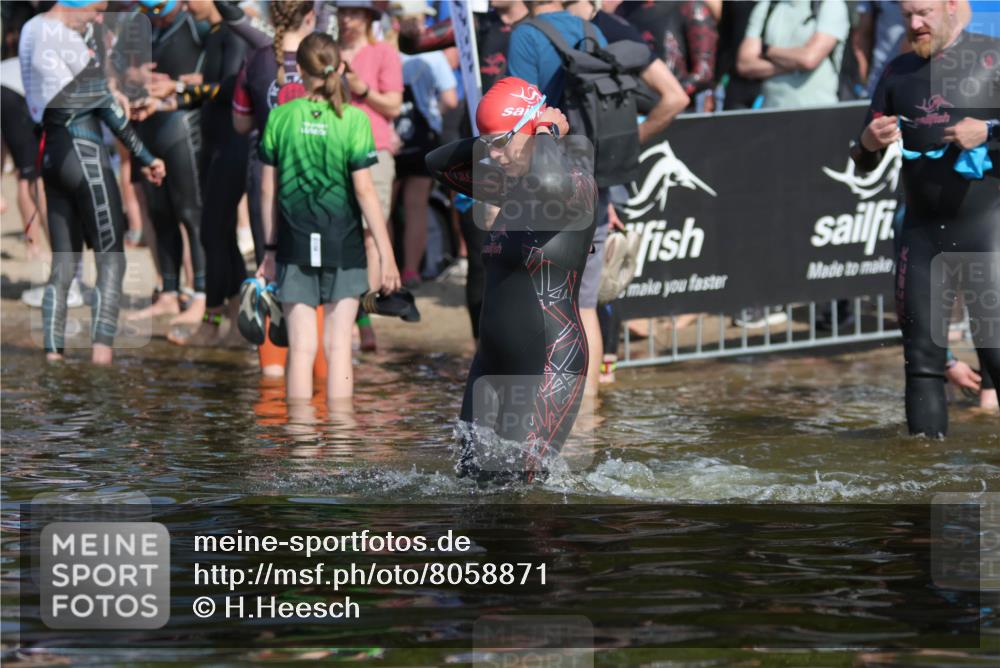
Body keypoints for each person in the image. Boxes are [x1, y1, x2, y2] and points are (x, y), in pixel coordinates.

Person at [427, 77, 595, 482]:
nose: (495, 156)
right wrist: (494, 136)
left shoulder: (575, 183)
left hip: (548, 361)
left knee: (517, 490)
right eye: (489, 146)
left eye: (503, 143)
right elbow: (436, 164)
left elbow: (551, 183)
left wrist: (546, 130)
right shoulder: (509, 185)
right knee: (469, 484)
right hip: (490, 361)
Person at [851, 0, 999, 437]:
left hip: (986, 228)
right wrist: (867, 141)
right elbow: (861, 161)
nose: (915, 24)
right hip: (921, 234)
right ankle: (923, 483)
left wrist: (988, 131)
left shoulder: (991, 57)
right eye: (907, 15)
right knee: (921, 363)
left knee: (995, 349)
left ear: (953, 6)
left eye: (924, 13)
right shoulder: (897, 71)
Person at [19, 0, 166, 365]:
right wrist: (147, 158)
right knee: (111, 259)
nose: (100, 17)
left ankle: (53, 358)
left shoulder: (30, 30)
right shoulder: (66, 41)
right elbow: (106, 109)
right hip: (83, 155)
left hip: (51, 157)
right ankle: (102, 362)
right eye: (96, 9)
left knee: (63, 264)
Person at [256, 32, 400, 402]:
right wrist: (387, 256)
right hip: (344, 241)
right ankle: (341, 444)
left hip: (294, 241)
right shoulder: (352, 119)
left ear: (299, 70)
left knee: (301, 350)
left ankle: (301, 447)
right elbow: (365, 192)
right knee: (339, 351)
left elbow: (267, 191)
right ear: (338, 67)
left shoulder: (281, 117)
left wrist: (268, 250)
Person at [397, 0, 532, 339]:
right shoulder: (476, 25)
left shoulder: (538, 25)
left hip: (529, 153)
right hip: (483, 153)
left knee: (527, 257)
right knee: (480, 253)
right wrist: (410, 31)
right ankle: (481, 347)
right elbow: (413, 44)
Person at [507, 0, 610, 397]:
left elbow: (522, 117)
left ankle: (546, 415)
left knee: (543, 306)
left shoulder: (526, 34)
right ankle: (587, 417)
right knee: (584, 307)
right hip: (593, 179)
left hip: (546, 184)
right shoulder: (591, 31)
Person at [233, 0, 328, 377]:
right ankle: (320, 383)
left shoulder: (255, 58)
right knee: (316, 274)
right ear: (309, 16)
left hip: (265, 174)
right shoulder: (323, 55)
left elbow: (241, 125)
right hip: (317, 177)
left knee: (268, 268)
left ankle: (272, 383)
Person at [155, 0, 251, 346]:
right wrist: (166, 100)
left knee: (212, 232)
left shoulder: (233, 32)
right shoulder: (213, 34)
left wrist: (181, 89)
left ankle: (213, 322)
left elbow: (229, 89)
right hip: (215, 145)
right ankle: (240, 323)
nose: (184, 3)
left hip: (234, 146)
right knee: (220, 235)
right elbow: (208, 90)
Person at [125, 0, 209, 327]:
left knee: (191, 213)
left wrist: (180, 85)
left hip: (183, 126)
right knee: (159, 212)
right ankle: (169, 294)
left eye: (161, 12)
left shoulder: (196, 24)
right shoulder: (140, 23)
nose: (156, 20)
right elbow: (115, 65)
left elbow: (222, 73)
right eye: (150, 13)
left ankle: (202, 293)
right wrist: (132, 74)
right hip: (147, 124)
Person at [337, 0, 404, 352]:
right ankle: (357, 321)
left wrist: (362, 89)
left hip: (375, 148)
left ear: (367, 17)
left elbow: (393, 104)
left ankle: (361, 314)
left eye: (352, 12)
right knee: (345, 232)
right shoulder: (329, 51)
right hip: (335, 148)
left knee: (370, 234)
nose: (345, 18)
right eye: (342, 11)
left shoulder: (384, 53)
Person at [391, 0, 458, 288]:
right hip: (422, 137)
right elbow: (451, 99)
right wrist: (434, 114)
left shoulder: (383, 49)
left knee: (384, 207)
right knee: (416, 206)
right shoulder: (433, 56)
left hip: (387, 136)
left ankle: (387, 267)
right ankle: (410, 270)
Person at [736, 0, 850, 109]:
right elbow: (744, 64)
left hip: (818, 112)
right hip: (770, 112)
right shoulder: (766, 6)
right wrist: (794, 64)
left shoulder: (830, 4)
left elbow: (809, 59)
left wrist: (766, 50)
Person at [614, 0, 718, 104]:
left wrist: (668, 97)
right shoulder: (622, 10)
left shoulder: (690, 6)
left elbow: (704, 72)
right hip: (630, 102)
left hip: (677, 107)